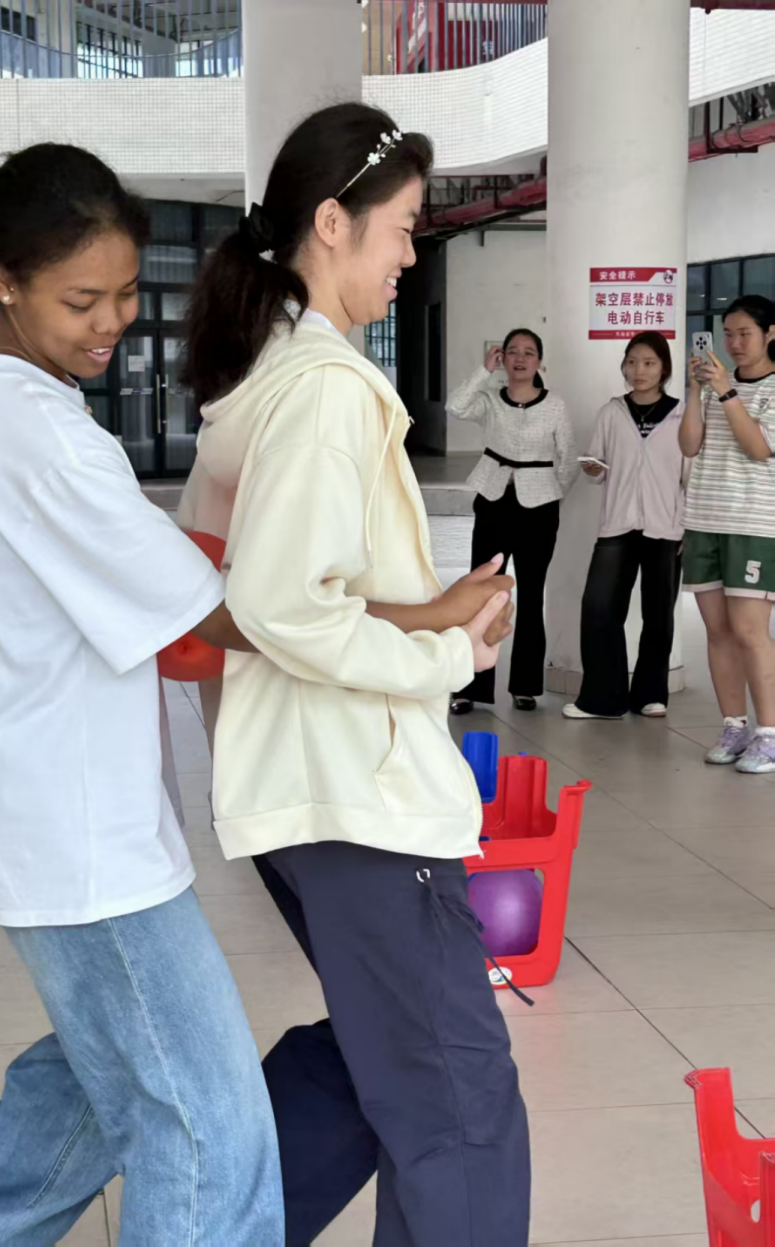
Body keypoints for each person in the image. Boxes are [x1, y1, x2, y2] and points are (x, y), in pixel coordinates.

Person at [0, 145, 285, 1247]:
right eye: (81, 300)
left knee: (105, 1055)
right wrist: (407, 619)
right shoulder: (43, 435)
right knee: (208, 1125)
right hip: (77, 833)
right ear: (4, 282)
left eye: (124, 292)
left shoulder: (8, 402)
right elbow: (213, 618)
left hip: (50, 806)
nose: (112, 321)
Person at [179, 102, 530, 1247]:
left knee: (381, 1061)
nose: (411, 253)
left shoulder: (263, 377)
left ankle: (204, 1226)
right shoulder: (325, 386)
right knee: (458, 1107)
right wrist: (445, 651)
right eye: (404, 226)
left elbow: (274, 591)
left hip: (305, 790)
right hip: (358, 798)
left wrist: (430, 614)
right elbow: (283, 604)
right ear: (331, 222)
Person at [446, 329, 578, 713]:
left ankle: (525, 686)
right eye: (513, 352)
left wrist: (551, 492)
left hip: (539, 508)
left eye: (529, 352)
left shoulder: (555, 405)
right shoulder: (490, 399)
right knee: (482, 592)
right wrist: (482, 371)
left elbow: (568, 458)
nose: (520, 359)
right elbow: (455, 406)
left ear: (540, 362)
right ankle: (469, 686)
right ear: (502, 358)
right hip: (494, 499)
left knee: (532, 595)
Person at [564, 331, 688, 720]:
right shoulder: (611, 412)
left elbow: (691, 477)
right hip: (618, 523)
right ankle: (603, 699)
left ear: (664, 368)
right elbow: (598, 466)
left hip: (666, 526)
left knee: (659, 614)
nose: (639, 370)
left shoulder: (682, 415)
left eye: (649, 363)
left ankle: (651, 695)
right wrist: (593, 468)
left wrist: (689, 527)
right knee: (599, 608)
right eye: (632, 362)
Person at [679, 294, 775, 773]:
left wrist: (725, 391)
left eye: (746, 333)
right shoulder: (715, 383)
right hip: (703, 519)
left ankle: (769, 735)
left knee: (750, 632)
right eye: (729, 333)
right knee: (717, 632)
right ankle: (734, 727)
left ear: (770, 334)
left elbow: (758, 448)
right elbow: (689, 445)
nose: (735, 343)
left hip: (755, 524)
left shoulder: (768, 388)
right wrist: (695, 392)